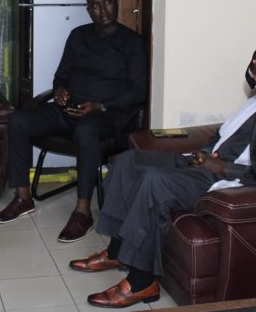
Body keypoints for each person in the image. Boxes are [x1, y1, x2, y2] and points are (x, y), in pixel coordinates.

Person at [0, 0, 148, 243]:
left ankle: (82, 212)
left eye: (107, 3)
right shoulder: (78, 35)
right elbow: (61, 75)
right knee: (19, 120)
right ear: (88, 10)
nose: (103, 10)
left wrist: (100, 105)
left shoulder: (132, 42)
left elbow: (139, 91)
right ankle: (22, 197)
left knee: (86, 131)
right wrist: (59, 91)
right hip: (69, 109)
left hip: (105, 115)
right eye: (95, 6)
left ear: (116, 4)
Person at [69, 96, 256, 309]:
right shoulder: (251, 103)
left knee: (154, 182)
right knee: (128, 161)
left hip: (227, 178)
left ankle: (142, 282)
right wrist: (205, 154)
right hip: (204, 164)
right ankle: (116, 252)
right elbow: (221, 136)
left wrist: (221, 167)